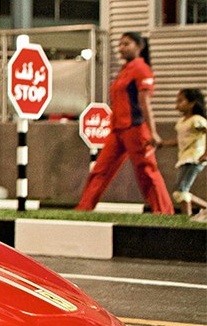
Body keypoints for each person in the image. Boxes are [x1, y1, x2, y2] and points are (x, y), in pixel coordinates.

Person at [76, 33, 173, 213]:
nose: (121, 47)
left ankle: (164, 211)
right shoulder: (124, 69)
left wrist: (153, 132)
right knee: (100, 170)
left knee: (146, 171)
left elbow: (145, 104)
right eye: (120, 44)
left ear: (139, 46)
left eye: (126, 44)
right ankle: (84, 208)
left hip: (135, 129)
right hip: (117, 130)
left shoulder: (142, 69)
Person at [160, 87, 207, 217]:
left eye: (181, 100)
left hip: (194, 158)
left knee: (181, 191)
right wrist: (163, 143)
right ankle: (192, 215)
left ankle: (187, 217)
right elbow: (180, 140)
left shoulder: (197, 120)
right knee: (180, 192)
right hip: (184, 158)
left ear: (192, 103)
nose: (177, 103)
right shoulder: (181, 122)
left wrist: (205, 153)